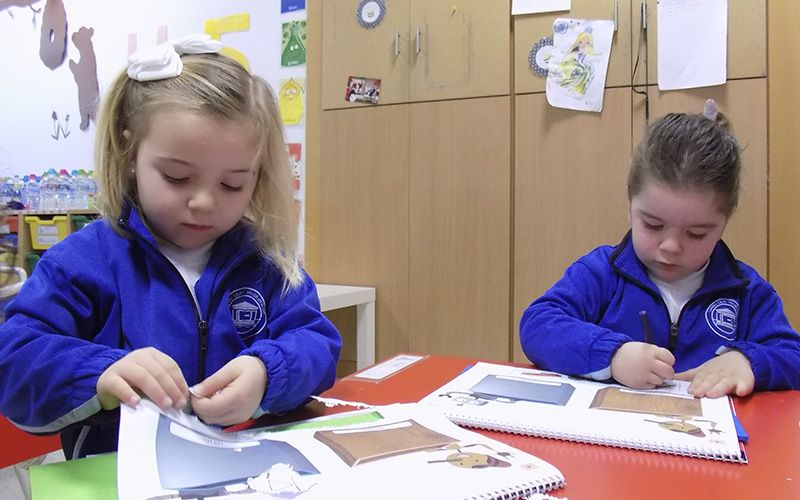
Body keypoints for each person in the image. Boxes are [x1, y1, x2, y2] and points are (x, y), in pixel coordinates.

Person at [0, 34, 341, 459]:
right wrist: (100, 373)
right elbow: (14, 359)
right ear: (129, 154)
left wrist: (266, 373)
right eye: (177, 178)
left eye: (233, 183)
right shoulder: (83, 262)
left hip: (246, 473)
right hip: (122, 479)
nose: (204, 202)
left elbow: (317, 343)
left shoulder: (265, 262)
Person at [520, 100, 800, 399]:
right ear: (630, 208)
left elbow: (792, 355)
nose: (670, 247)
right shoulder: (601, 272)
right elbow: (538, 325)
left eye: (696, 234)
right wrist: (613, 355)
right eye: (653, 226)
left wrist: (748, 361)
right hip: (612, 436)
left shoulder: (746, 291)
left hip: (708, 440)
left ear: (723, 224)